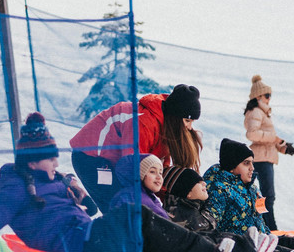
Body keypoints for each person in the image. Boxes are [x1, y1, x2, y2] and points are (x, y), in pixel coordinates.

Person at [0, 114, 255, 252]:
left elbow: (91, 211)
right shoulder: (17, 188)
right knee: (135, 216)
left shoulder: (55, 181)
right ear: (31, 162)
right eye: (50, 158)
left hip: (87, 236)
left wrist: (78, 195)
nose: (56, 163)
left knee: (149, 239)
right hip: (75, 246)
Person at [69, 83, 202, 212]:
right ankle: (75, 202)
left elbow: (157, 169)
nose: (189, 127)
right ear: (175, 116)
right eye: (187, 120)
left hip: (116, 160)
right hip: (90, 156)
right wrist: (152, 207)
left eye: (192, 122)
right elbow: (131, 169)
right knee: (118, 206)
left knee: (134, 207)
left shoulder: (166, 126)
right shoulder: (143, 124)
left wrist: (168, 200)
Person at [243, 74, 294, 231]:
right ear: (258, 96)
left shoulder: (261, 112)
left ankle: (265, 226)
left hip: (264, 157)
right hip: (261, 159)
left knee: (264, 195)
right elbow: (252, 134)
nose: (269, 99)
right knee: (267, 196)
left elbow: (264, 138)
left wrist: (282, 146)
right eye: (267, 95)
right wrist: (274, 138)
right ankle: (269, 227)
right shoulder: (256, 112)